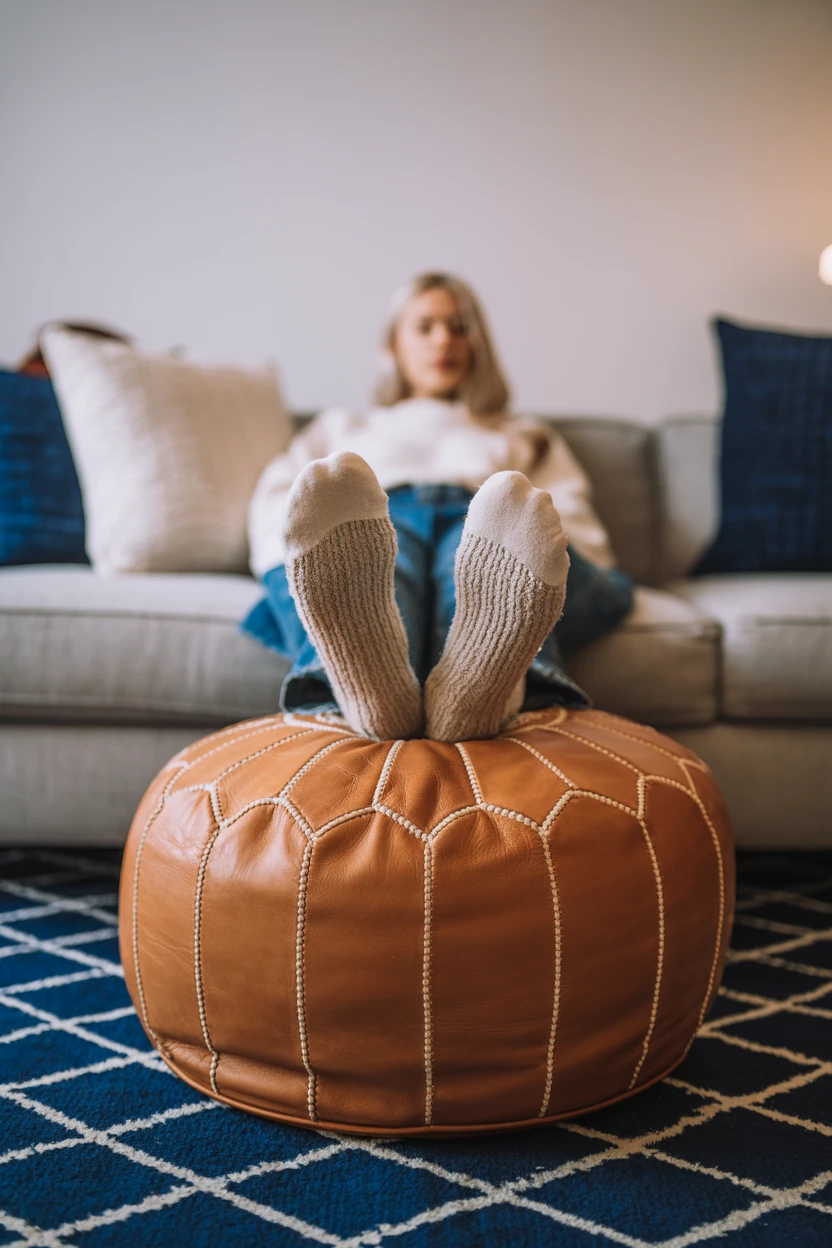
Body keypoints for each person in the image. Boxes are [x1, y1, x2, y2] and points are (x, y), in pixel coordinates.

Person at [242, 272, 634, 742]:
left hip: (481, 519)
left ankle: (488, 685)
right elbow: (283, 498)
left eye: (459, 326)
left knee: (474, 564)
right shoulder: (343, 425)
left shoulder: (520, 431)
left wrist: (537, 553)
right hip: (381, 516)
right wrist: (285, 559)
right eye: (425, 326)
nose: (444, 339)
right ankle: (370, 685)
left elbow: (566, 513)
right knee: (382, 562)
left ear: (477, 344)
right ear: (394, 345)